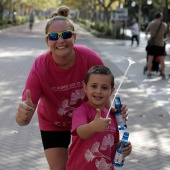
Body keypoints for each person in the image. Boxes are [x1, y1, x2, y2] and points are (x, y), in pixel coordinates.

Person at [15, 6, 129, 170]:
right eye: (53, 36)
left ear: (74, 37)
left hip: (89, 119)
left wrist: (117, 112)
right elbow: (23, 120)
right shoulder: (40, 68)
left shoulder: (90, 58)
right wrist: (21, 115)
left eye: (66, 35)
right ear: (47, 42)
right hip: (53, 122)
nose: (60, 40)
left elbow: (106, 96)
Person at [66, 65, 132, 170]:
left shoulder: (112, 116)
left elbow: (113, 145)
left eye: (104, 88)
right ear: (85, 87)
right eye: (94, 86)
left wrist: (123, 149)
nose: (99, 91)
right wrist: (93, 126)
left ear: (111, 91)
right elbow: (81, 132)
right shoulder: (82, 111)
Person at [146, 12, 167, 79]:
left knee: (150, 59)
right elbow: (165, 32)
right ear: (160, 17)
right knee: (162, 59)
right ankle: (163, 73)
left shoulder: (151, 23)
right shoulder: (164, 24)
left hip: (152, 44)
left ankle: (149, 73)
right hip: (160, 44)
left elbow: (146, 30)